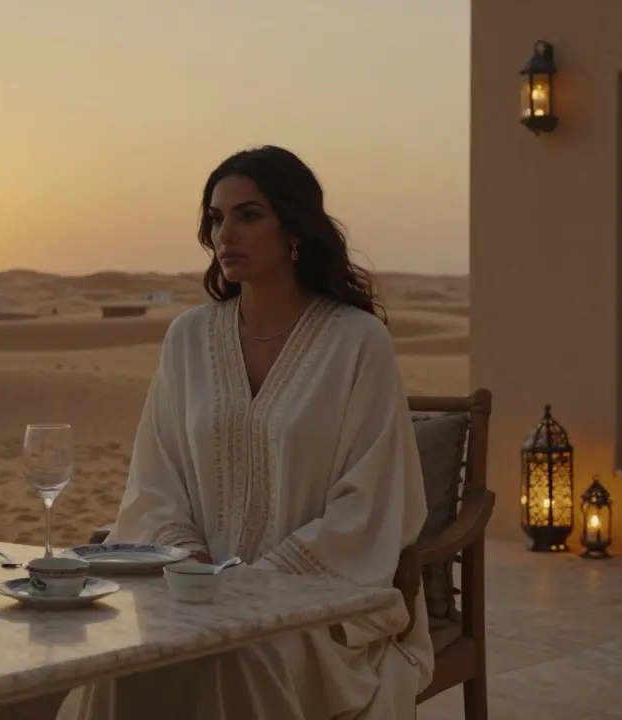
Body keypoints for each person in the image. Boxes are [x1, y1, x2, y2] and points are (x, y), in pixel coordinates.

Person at [69, 146, 433, 719]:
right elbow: (156, 479)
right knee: (138, 660)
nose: (225, 234)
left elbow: (368, 505)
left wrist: (254, 589)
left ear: (295, 228)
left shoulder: (358, 343)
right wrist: (189, 564)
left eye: (248, 215)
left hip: (315, 609)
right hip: (189, 594)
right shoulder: (188, 339)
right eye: (216, 218)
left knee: (238, 656)